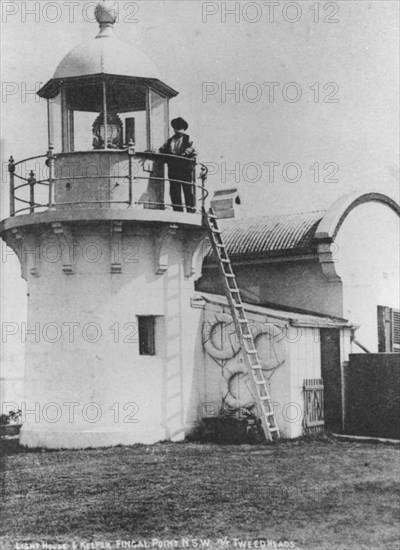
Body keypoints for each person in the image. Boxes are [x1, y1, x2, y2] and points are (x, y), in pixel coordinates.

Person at [159, 117, 197, 212]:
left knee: (187, 189)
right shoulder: (170, 141)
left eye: (180, 128)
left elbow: (192, 148)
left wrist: (186, 153)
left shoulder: (187, 138)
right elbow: (162, 149)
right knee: (174, 190)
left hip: (185, 168)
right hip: (173, 169)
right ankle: (178, 210)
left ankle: (190, 209)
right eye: (176, 128)